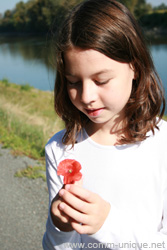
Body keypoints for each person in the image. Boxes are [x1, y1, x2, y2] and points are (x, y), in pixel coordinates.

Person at [42, 0, 167, 249]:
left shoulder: (161, 145)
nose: (86, 96)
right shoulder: (60, 149)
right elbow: (58, 247)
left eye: (101, 80)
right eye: (73, 82)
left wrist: (106, 225)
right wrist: (60, 226)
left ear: (135, 67)